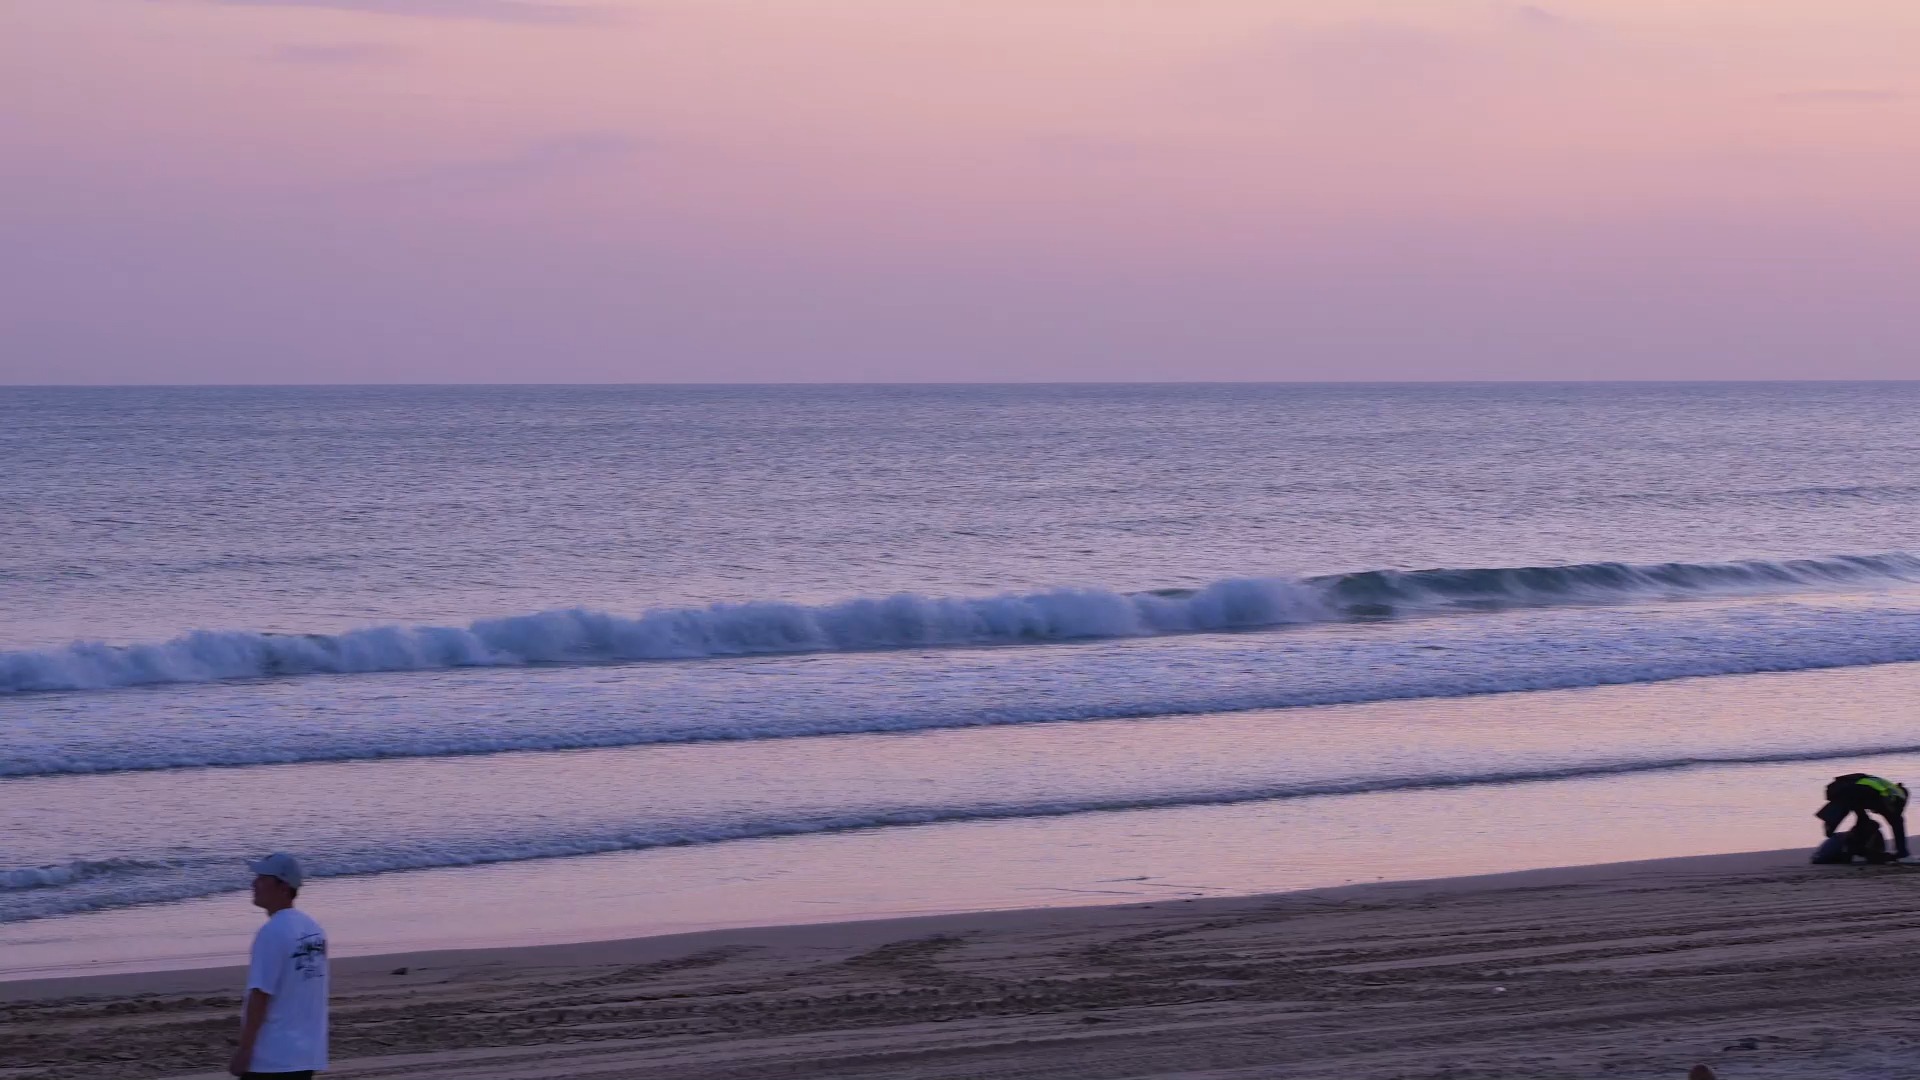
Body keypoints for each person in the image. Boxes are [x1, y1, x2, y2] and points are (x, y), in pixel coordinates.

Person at [230, 853, 329, 1079]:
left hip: (272, 1058)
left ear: (283, 888)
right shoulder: (314, 929)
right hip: (305, 1054)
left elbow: (260, 996)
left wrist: (245, 1050)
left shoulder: (272, 933)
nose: (254, 883)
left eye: (263, 878)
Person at [1816, 773, 1910, 861]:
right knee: (1894, 822)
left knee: (1865, 821)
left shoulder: (1889, 790)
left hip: (1862, 792)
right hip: (1863, 793)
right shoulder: (1892, 791)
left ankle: (1858, 849)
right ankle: (1902, 853)